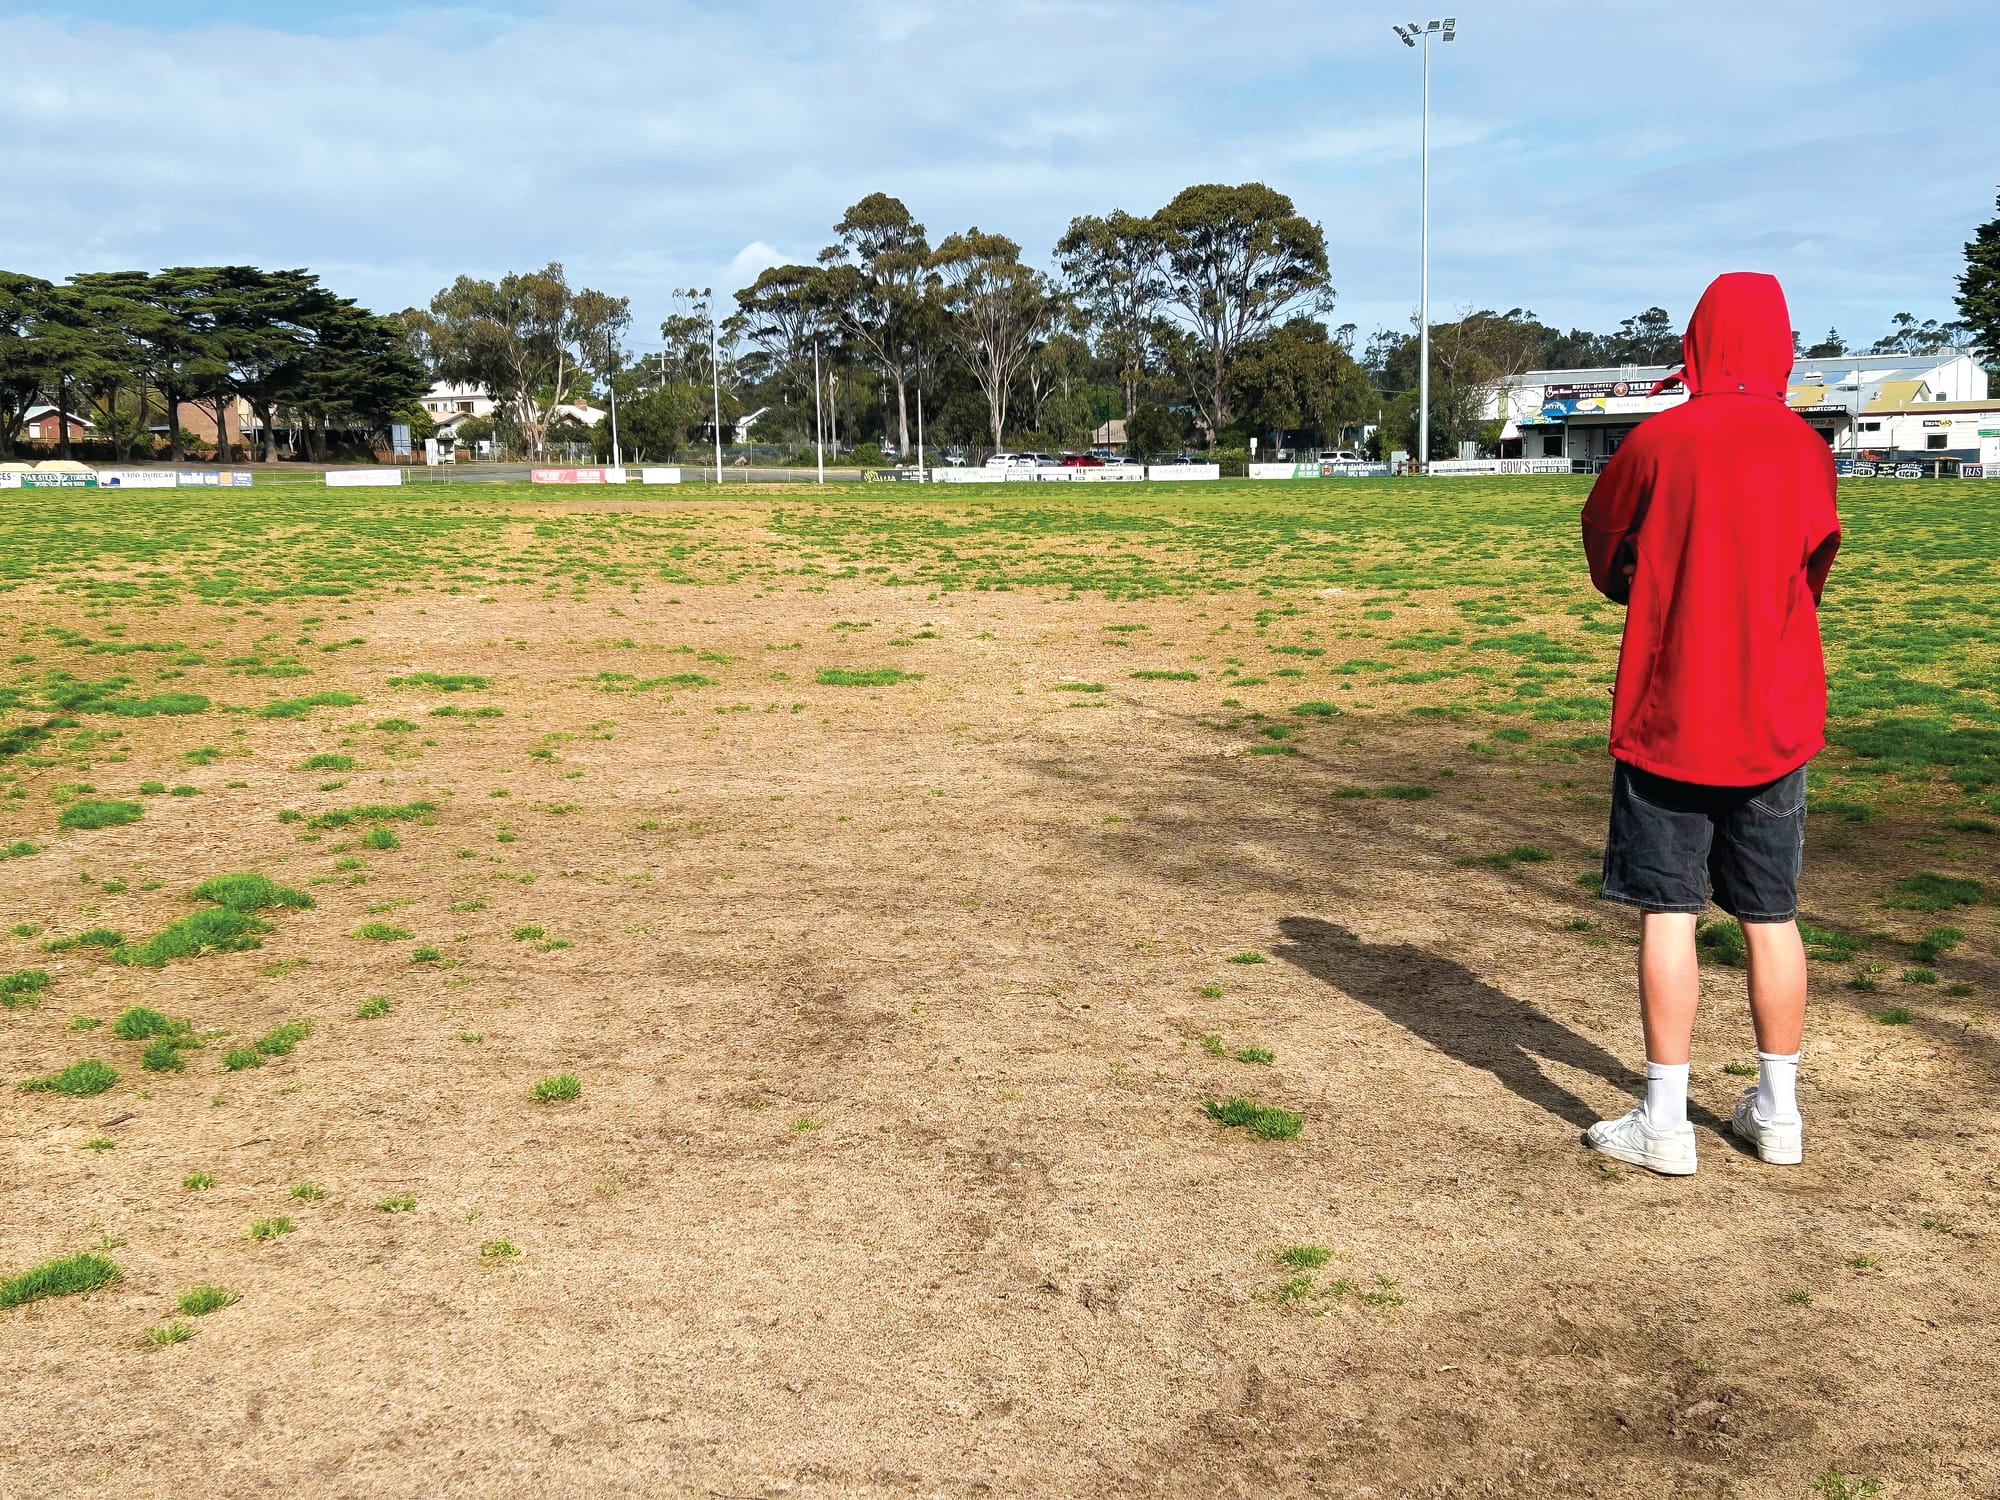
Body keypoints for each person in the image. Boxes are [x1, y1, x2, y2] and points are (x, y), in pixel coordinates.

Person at [1577, 271, 1842, 1176]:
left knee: (1669, 912)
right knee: (1773, 916)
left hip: (1672, 711)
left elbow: (1604, 540)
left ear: (1697, 340)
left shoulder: (1657, 440)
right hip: (1773, 713)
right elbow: (1815, 562)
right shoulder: (1806, 449)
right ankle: (1779, 1112)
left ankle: (1664, 1121)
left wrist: (1640, 583)